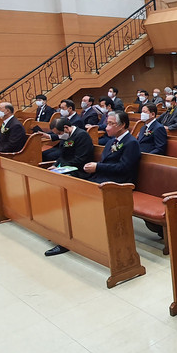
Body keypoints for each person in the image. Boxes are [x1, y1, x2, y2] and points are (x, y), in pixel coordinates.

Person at [44, 110, 138, 257]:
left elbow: (124, 168)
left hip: (118, 184)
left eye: (111, 124)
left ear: (122, 125)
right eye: (107, 123)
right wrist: (95, 168)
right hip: (102, 178)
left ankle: (73, 239)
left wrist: (97, 167)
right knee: (71, 197)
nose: (106, 127)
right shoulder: (111, 141)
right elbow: (106, 162)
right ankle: (68, 237)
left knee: (78, 200)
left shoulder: (131, 143)